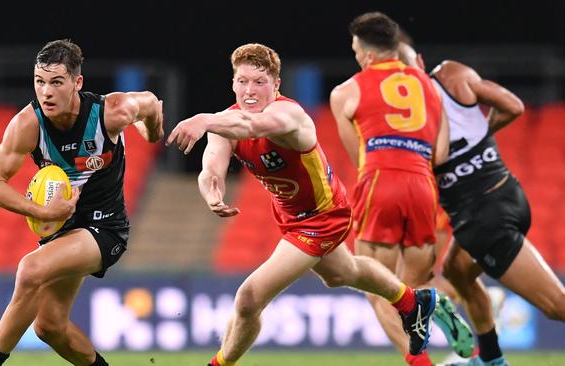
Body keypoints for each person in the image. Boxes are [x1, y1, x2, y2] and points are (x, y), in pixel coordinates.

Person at [167, 42, 441, 366]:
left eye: (259, 82)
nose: (249, 90)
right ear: (232, 83)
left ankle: (219, 364)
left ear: (276, 84)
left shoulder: (289, 114)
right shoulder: (224, 122)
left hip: (324, 216)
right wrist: (212, 192)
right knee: (343, 273)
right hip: (290, 215)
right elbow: (211, 168)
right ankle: (413, 301)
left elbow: (252, 126)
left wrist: (203, 119)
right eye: (242, 81)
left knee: (248, 299)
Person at [0, 39, 164, 366]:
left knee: (30, 269)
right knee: (49, 328)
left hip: (106, 228)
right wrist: (42, 211)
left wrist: (153, 132)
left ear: (77, 82)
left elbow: (152, 103)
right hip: (62, 231)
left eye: (56, 82)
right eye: (40, 82)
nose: (46, 92)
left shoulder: (111, 112)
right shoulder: (27, 124)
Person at [329, 12, 473, 366]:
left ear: (367, 55)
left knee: (379, 291)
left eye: (356, 51)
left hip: (380, 181)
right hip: (423, 185)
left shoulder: (346, 91)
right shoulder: (429, 87)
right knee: (415, 283)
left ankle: (421, 363)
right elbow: (441, 153)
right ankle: (436, 300)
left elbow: (359, 156)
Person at [426, 54, 565, 365]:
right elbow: (514, 106)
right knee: (457, 271)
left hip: (483, 217)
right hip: (502, 195)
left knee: (557, 305)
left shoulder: (411, 115)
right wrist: (480, 137)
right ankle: (491, 359)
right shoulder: (452, 75)